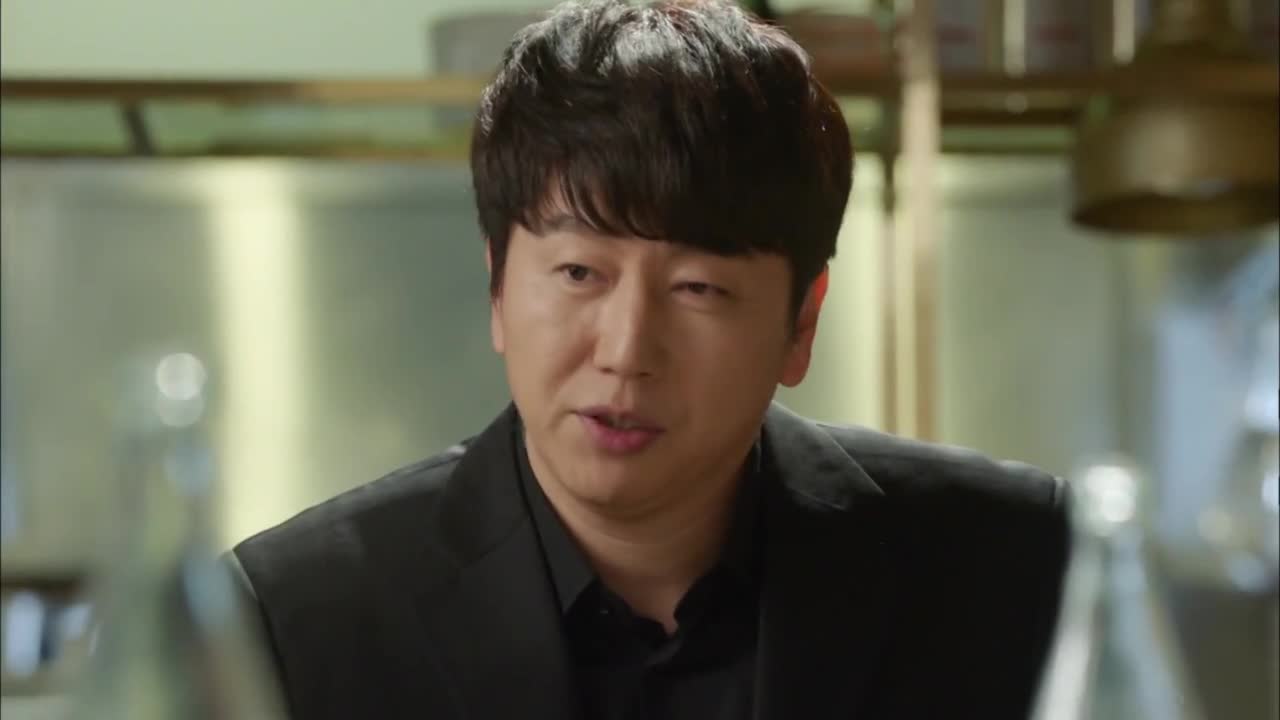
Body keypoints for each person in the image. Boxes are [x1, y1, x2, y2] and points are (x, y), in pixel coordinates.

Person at [230, 1, 1071, 718]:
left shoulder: (1015, 570)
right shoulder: (294, 621)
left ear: (801, 324)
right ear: (498, 289)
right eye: (579, 273)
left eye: (699, 288)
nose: (627, 351)